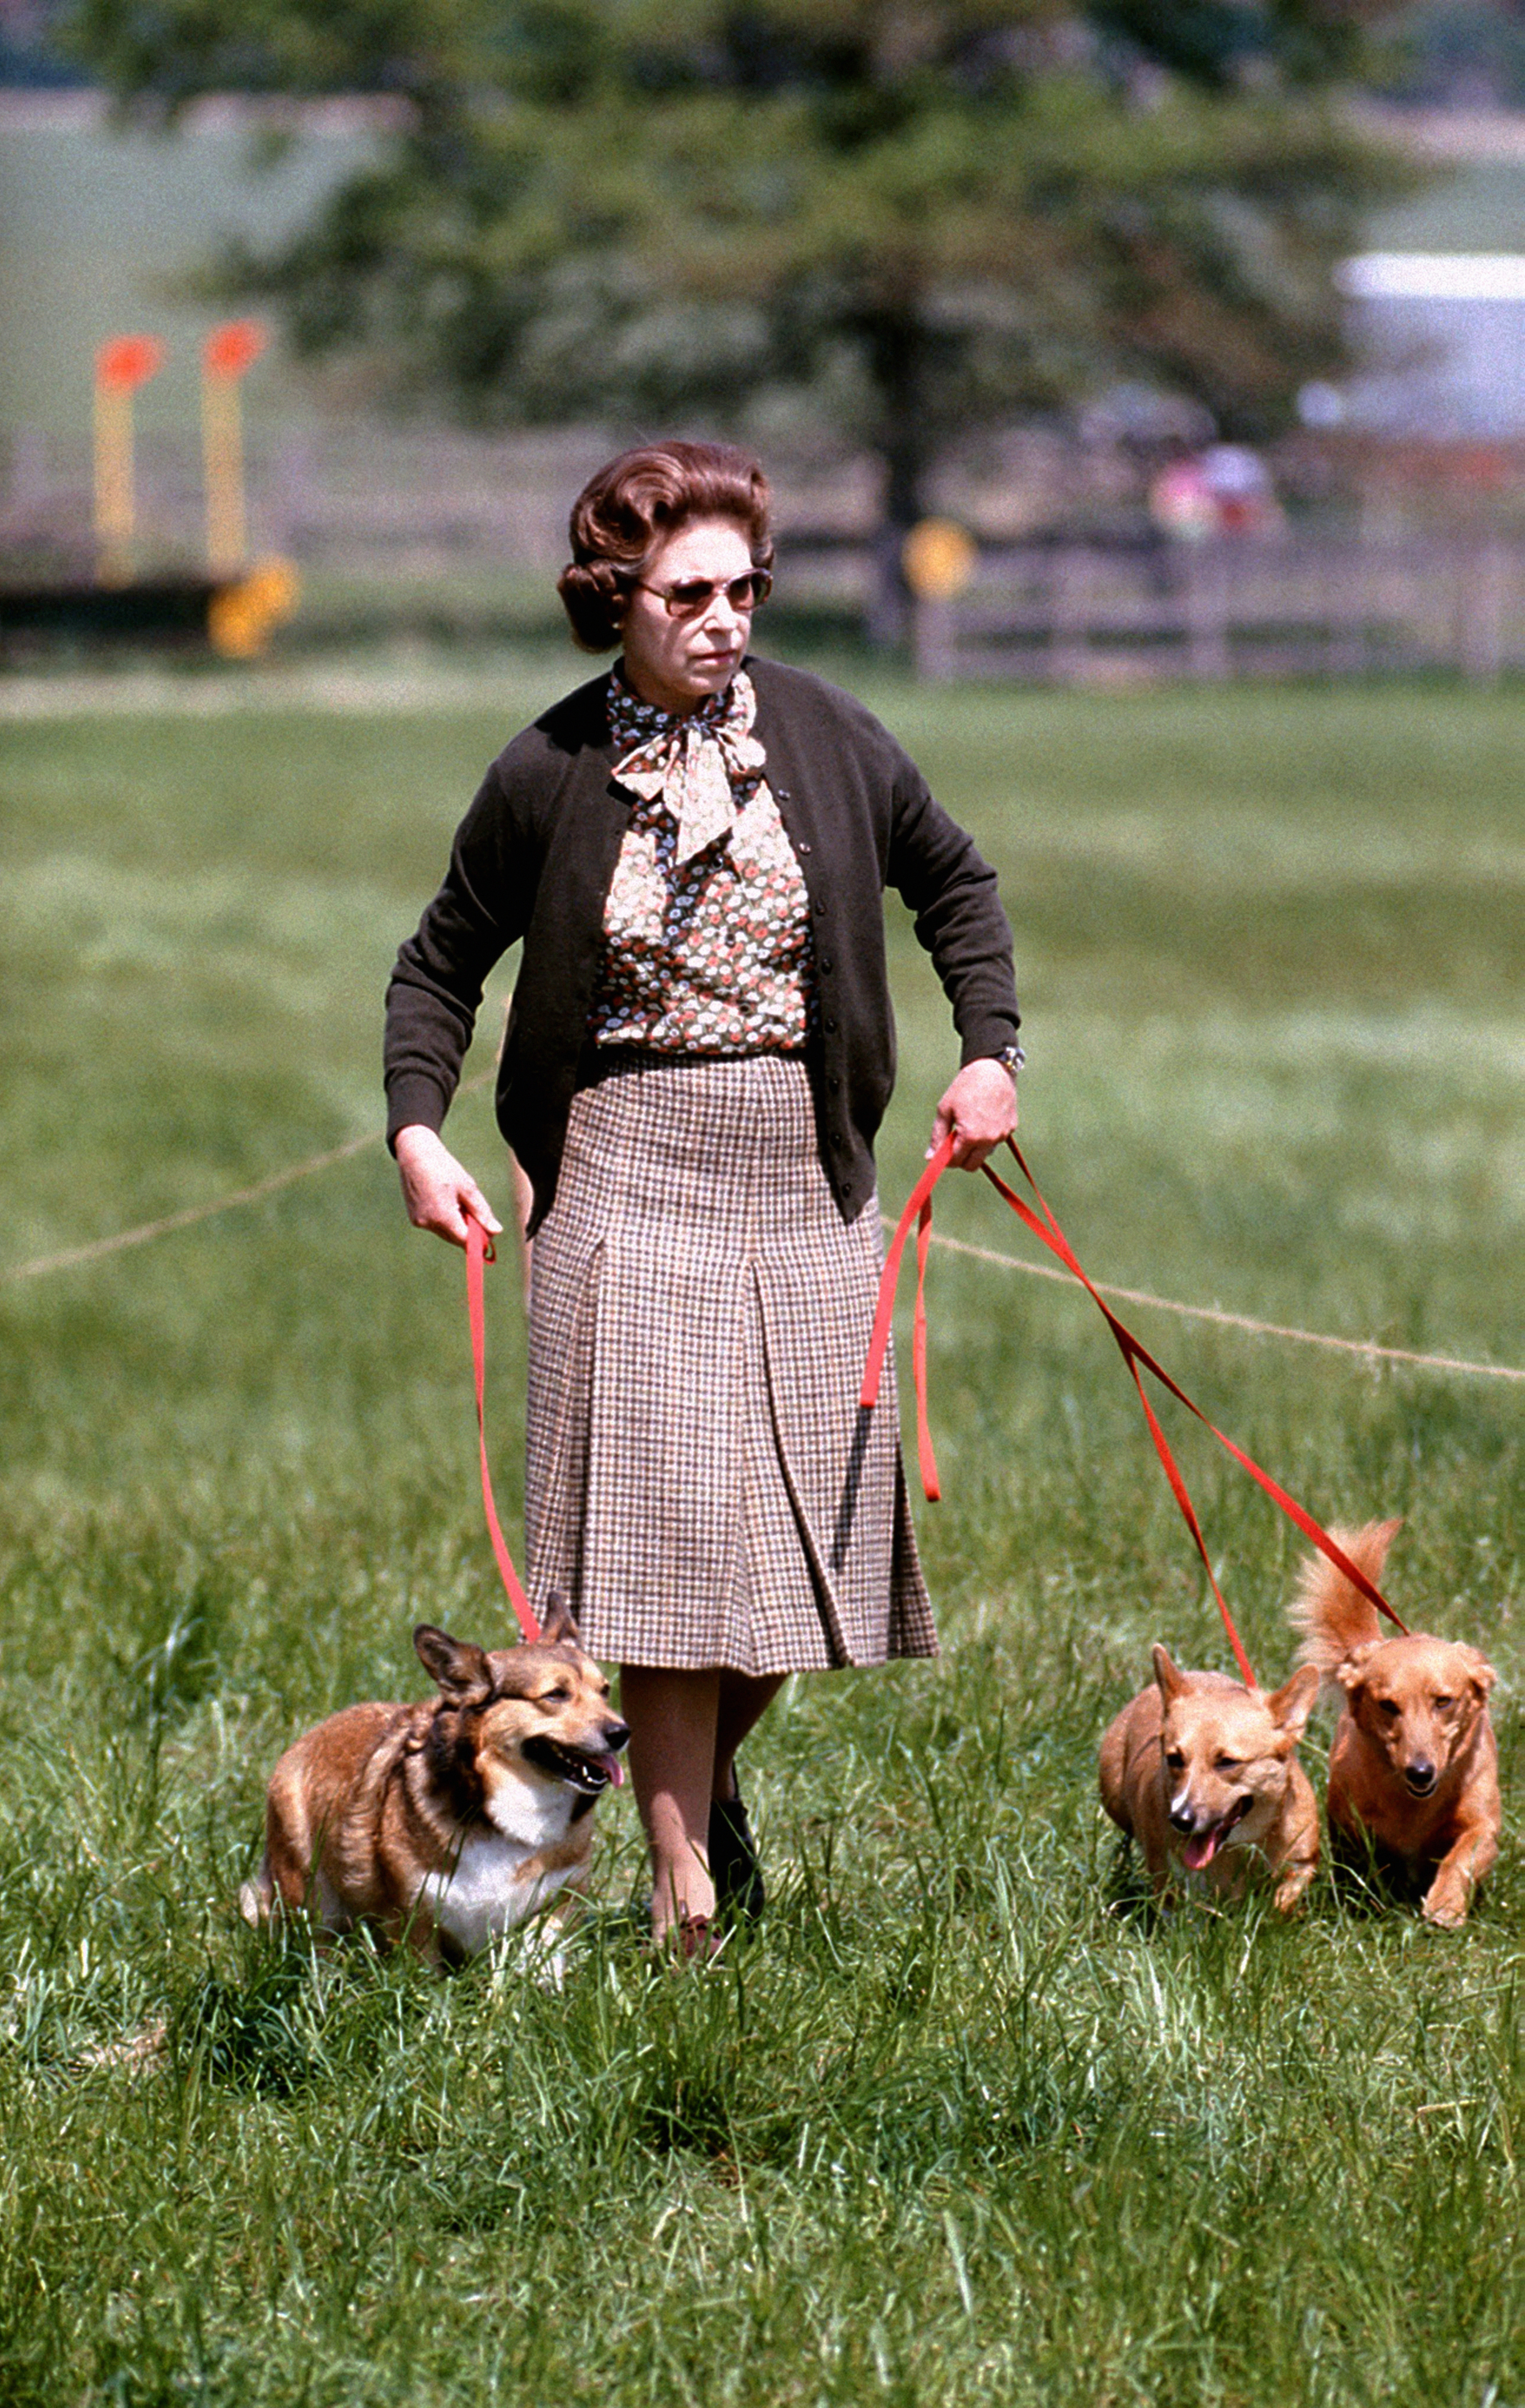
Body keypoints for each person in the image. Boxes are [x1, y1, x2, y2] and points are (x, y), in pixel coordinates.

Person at [385, 441, 1021, 1952]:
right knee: (671, 1557)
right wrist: (419, 1133)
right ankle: (685, 1903)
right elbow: (438, 966)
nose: (724, 617)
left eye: (745, 588)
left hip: (806, 1170)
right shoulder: (544, 772)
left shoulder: (827, 734)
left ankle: (694, 1785)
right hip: (624, 1170)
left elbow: (957, 887)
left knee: (796, 1565)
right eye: (688, 593)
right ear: (617, 598)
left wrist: (989, 1052)